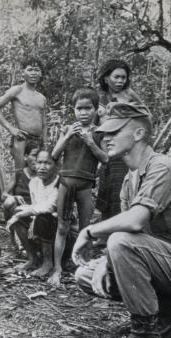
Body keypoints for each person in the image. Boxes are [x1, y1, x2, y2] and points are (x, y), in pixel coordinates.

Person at [72, 102, 171, 338]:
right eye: (104, 133)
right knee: (85, 275)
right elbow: (133, 233)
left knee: (119, 241)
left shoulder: (161, 167)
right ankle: (168, 305)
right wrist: (107, 262)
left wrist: (88, 230)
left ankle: (146, 337)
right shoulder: (130, 179)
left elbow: (135, 222)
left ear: (138, 134)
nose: (106, 138)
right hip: (161, 259)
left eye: (115, 132)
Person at [47, 87, 108, 285]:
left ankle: (84, 271)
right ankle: (57, 269)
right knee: (62, 227)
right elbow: (54, 155)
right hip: (66, 183)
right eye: (79, 108)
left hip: (85, 187)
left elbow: (105, 158)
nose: (83, 112)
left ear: (96, 109)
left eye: (88, 108)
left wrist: (90, 141)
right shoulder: (67, 129)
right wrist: (67, 136)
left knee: (86, 229)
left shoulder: (99, 133)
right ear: (73, 110)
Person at [96, 59, 151, 220]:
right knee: (106, 189)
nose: (120, 81)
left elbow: (147, 118)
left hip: (124, 149)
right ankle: (105, 233)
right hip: (106, 150)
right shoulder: (100, 97)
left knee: (119, 188)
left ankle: (119, 230)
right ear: (106, 78)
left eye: (123, 77)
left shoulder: (129, 95)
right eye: (116, 77)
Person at [0, 57, 47, 171]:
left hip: (38, 140)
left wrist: (45, 142)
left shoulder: (41, 98)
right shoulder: (17, 90)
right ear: (23, 73)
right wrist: (10, 128)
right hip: (22, 138)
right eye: (30, 69)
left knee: (38, 173)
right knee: (20, 173)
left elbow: (44, 123)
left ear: (41, 73)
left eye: (36, 70)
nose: (33, 73)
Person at [6, 148, 59, 273]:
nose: (42, 167)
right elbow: (36, 205)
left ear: (56, 165)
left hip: (60, 233)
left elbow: (49, 207)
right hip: (43, 227)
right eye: (39, 162)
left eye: (47, 163)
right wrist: (19, 214)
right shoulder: (34, 182)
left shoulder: (60, 183)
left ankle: (48, 263)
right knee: (18, 212)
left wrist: (21, 215)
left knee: (44, 217)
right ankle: (33, 258)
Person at [1, 143, 38, 251]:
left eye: (38, 156)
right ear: (26, 157)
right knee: (9, 201)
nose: (36, 159)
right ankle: (11, 235)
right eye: (34, 155)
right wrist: (16, 197)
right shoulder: (19, 174)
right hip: (19, 207)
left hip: (35, 208)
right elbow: (3, 195)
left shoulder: (42, 176)